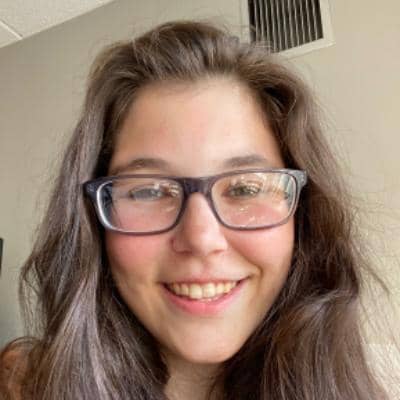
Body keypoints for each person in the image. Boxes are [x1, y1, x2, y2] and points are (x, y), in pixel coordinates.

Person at [0, 20, 393, 400]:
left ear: (303, 215)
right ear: (92, 219)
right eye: (149, 191)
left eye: (244, 188)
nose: (201, 239)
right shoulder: (24, 386)